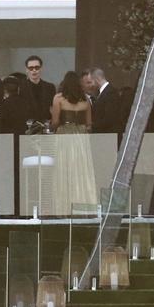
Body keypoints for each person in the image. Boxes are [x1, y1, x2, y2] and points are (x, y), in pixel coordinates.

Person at [50, 71, 97, 215]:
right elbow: (89, 124)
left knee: (64, 171)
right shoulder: (86, 101)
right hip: (81, 137)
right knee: (82, 172)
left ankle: (63, 207)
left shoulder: (58, 98)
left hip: (64, 135)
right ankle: (85, 206)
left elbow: (55, 122)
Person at [21, 55, 56, 125]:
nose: (34, 70)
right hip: (27, 126)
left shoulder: (50, 87)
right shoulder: (21, 87)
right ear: (27, 70)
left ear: (41, 68)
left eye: (37, 67)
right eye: (31, 68)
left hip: (45, 125)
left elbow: (53, 108)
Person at [88, 68, 122, 134]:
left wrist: (93, 126)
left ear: (97, 79)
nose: (91, 85)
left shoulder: (111, 93)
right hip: (104, 134)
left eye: (91, 82)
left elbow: (110, 117)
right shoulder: (104, 92)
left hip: (109, 135)